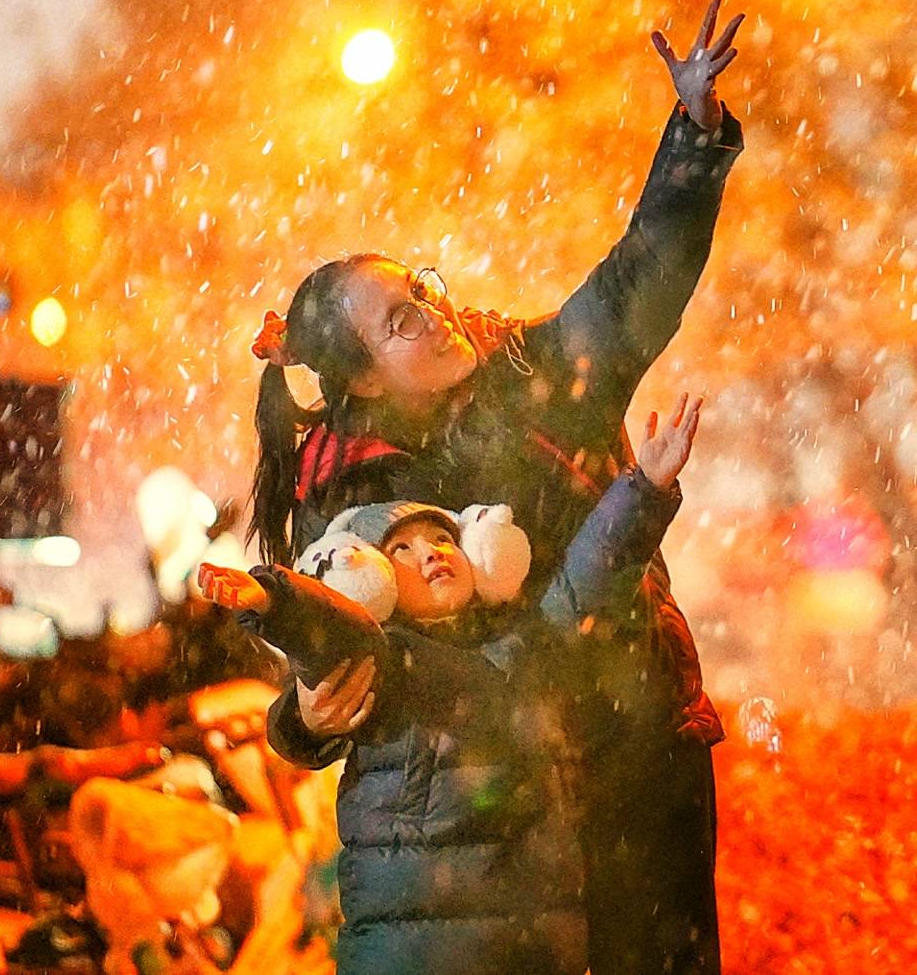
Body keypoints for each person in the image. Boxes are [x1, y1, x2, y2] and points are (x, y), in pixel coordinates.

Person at [248, 0, 743, 973]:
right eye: (399, 321)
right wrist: (301, 716)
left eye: (424, 288)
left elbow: (643, 273)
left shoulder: (542, 367)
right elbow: (339, 662)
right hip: (495, 818)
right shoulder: (345, 493)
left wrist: (691, 139)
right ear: (358, 379)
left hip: (643, 764)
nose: (435, 314)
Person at [202, 394, 703, 975]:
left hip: (532, 932)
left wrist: (644, 488)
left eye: (442, 538)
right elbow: (325, 628)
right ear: (373, 578)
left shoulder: (527, 640)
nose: (432, 552)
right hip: (411, 943)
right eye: (402, 550)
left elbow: (592, 573)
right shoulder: (378, 660)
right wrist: (272, 599)